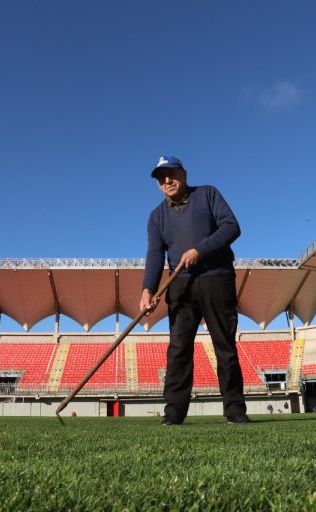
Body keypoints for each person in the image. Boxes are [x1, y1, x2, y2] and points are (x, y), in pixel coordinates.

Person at [140, 155, 250, 425]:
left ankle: (235, 411)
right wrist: (148, 289)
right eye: (161, 178)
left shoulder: (208, 194)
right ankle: (173, 413)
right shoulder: (156, 217)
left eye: (171, 174)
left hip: (217, 277)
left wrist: (200, 250)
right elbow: (155, 255)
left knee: (224, 345)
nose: (167, 180)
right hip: (180, 284)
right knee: (178, 349)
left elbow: (232, 227)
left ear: (184, 174)